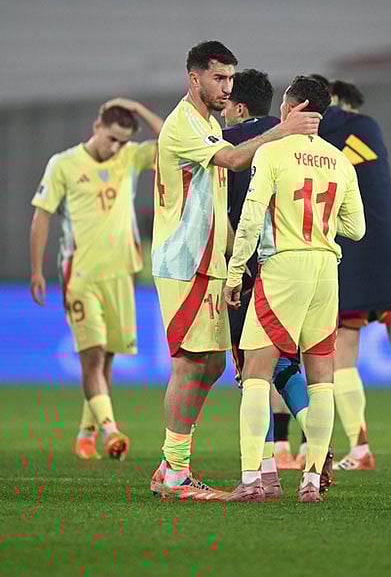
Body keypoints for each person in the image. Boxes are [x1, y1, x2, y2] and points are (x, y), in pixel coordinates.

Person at [149, 41, 321, 500]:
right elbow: (229, 159)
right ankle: (175, 472)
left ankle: (171, 463)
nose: (227, 87)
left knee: (212, 362)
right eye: (218, 78)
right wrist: (281, 131)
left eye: (230, 78)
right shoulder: (184, 122)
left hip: (211, 262)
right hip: (184, 261)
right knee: (189, 363)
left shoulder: (207, 122)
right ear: (195, 78)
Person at [224, 76, 364, 502]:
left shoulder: (272, 152)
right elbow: (356, 229)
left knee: (256, 373)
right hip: (326, 268)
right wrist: (322, 227)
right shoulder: (339, 160)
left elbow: (249, 219)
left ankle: (253, 480)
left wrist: (234, 273)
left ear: (294, 108)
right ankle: (309, 482)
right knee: (321, 378)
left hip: (285, 266)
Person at [31, 98, 163, 461]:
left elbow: (172, 142)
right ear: (96, 127)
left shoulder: (130, 157)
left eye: (122, 140)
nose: (116, 146)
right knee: (91, 357)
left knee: (106, 359)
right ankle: (111, 431)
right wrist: (37, 269)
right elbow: (41, 216)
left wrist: (137, 107)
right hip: (81, 274)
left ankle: (86, 433)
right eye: (111, 138)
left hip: (122, 273)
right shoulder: (64, 164)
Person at [316, 75, 391, 472]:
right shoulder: (371, 129)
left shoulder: (314, 136)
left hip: (348, 250)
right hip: (390, 247)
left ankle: (360, 448)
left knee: (343, 358)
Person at [222, 68, 318, 489]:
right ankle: (319, 439)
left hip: (250, 264)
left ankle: (264, 471)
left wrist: (233, 266)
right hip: (299, 265)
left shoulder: (230, 146)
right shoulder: (298, 140)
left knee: (252, 370)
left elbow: (228, 212)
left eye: (227, 103)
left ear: (239, 107)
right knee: (284, 363)